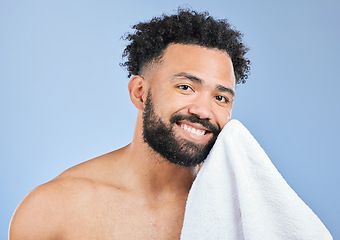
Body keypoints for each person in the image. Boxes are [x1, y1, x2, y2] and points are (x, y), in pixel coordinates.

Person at [9, 8, 250, 239]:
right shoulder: (54, 209)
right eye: (185, 87)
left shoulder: (243, 211)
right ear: (140, 93)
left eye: (220, 98)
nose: (204, 111)